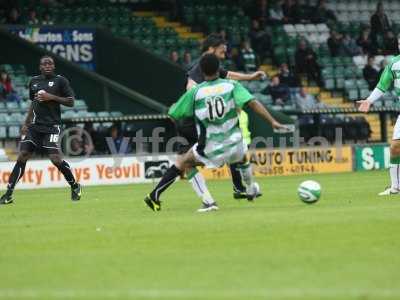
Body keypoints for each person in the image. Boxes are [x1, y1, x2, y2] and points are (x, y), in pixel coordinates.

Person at [144, 54, 286, 212]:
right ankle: (250, 188)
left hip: (211, 147)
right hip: (235, 145)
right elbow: (253, 103)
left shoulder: (196, 92)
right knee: (243, 157)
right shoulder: (231, 85)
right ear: (219, 69)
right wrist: (273, 121)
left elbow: (174, 114)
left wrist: (177, 109)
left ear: (202, 72)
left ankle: (207, 202)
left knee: (184, 163)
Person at [181, 33, 267, 205]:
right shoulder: (198, 70)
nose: (224, 55)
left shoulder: (211, 67)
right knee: (187, 162)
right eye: (222, 52)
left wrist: (250, 77)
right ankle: (239, 190)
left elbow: (228, 74)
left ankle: (233, 191)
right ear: (211, 50)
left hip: (211, 124)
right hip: (201, 125)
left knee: (191, 162)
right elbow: (190, 89)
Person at [0, 56, 82, 205]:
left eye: (50, 63)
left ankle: (75, 185)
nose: (47, 65)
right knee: (22, 156)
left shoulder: (60, 81)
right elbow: (34, 103)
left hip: (52, 126)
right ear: (40, 67)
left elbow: (71, 101)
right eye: (44, 63)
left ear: (54, 66)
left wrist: (51, 96)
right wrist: (26, 122)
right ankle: (9, 193)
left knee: (55, 159)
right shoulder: (34, 81)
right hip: (35, 127)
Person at [357, 54, 400, 195]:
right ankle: (395, 187)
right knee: (395, 147)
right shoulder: (394, 63)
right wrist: (369, 100)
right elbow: (383, 85)